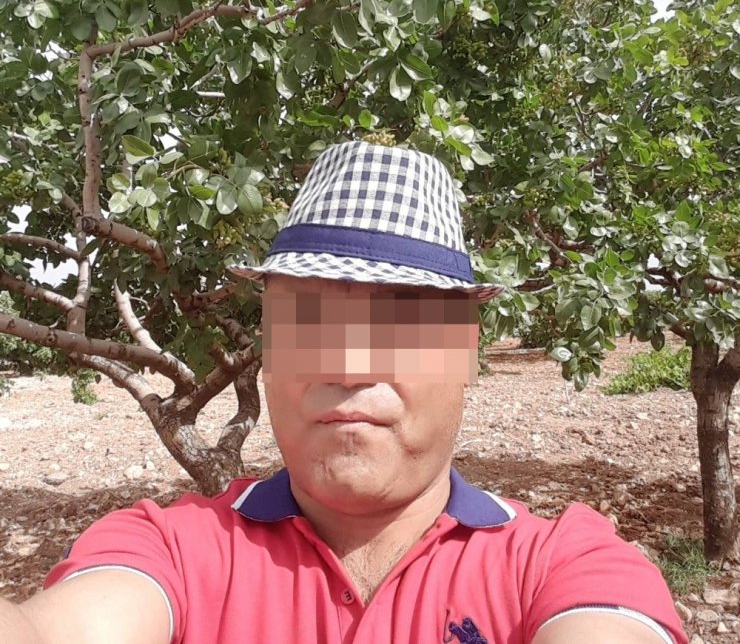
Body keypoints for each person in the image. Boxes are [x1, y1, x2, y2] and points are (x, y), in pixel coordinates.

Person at [1, 142, 687, 644]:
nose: (351, 362)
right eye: (310, 320)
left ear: (467, 352)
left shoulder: (561, 564)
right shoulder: (174, 549)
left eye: (401, 322)